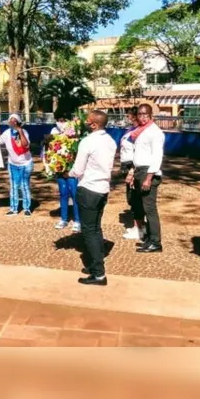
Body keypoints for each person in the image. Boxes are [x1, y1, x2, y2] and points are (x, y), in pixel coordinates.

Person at [69, 111, 117, 286]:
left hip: (89, 189)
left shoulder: (88, 141)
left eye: (88, 121)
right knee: (95, 228)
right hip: (102, 189)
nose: (85, 123)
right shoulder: (110, 141)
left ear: (94, 125)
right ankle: (95, 264)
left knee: (89, 231)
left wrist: (67, 172)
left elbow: (78, 169)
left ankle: (98, 274)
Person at [130, 103, 165, 253]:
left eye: (145, 114)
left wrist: (149, 177)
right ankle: (149, 239)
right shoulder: (141, 131)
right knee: (143, 207)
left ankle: (156, 242)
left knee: (150, 209)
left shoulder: (155, 132)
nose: (142, 117)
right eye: (140, 114)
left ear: (151, 115)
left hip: (148, 172)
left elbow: (157, 156)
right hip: (140, 171)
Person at [48, 110, 81, 232]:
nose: (61, 123)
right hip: (59, 168)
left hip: (72, 169)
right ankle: (63, 219)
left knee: (74, 194)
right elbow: (50, 149)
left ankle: (78, 220)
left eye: (63, 120)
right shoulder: (54, 131)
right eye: (58, 120)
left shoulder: (74, 131)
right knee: (63, 194)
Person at [0, 114, 32, 216]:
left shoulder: (24, 132)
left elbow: (25, 144)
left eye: (15, 121)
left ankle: (26, 208)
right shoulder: (6, 133)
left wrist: (20, 131)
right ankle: (13, 209)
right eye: (11, 121)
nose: (12, 123)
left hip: (25, 163)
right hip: (13, 164)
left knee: (24, 186)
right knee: (14, 186)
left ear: (18, 122)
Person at [119, 109, 144, 240]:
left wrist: (133, 170)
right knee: (131, 197)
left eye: (128, 114)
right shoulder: (130, 129)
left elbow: (138, 151)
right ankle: (139, 225)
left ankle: (139, 228)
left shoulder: (138, 131)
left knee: (135, 198)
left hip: (132, 166)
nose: (127, 116)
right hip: (126, 165)